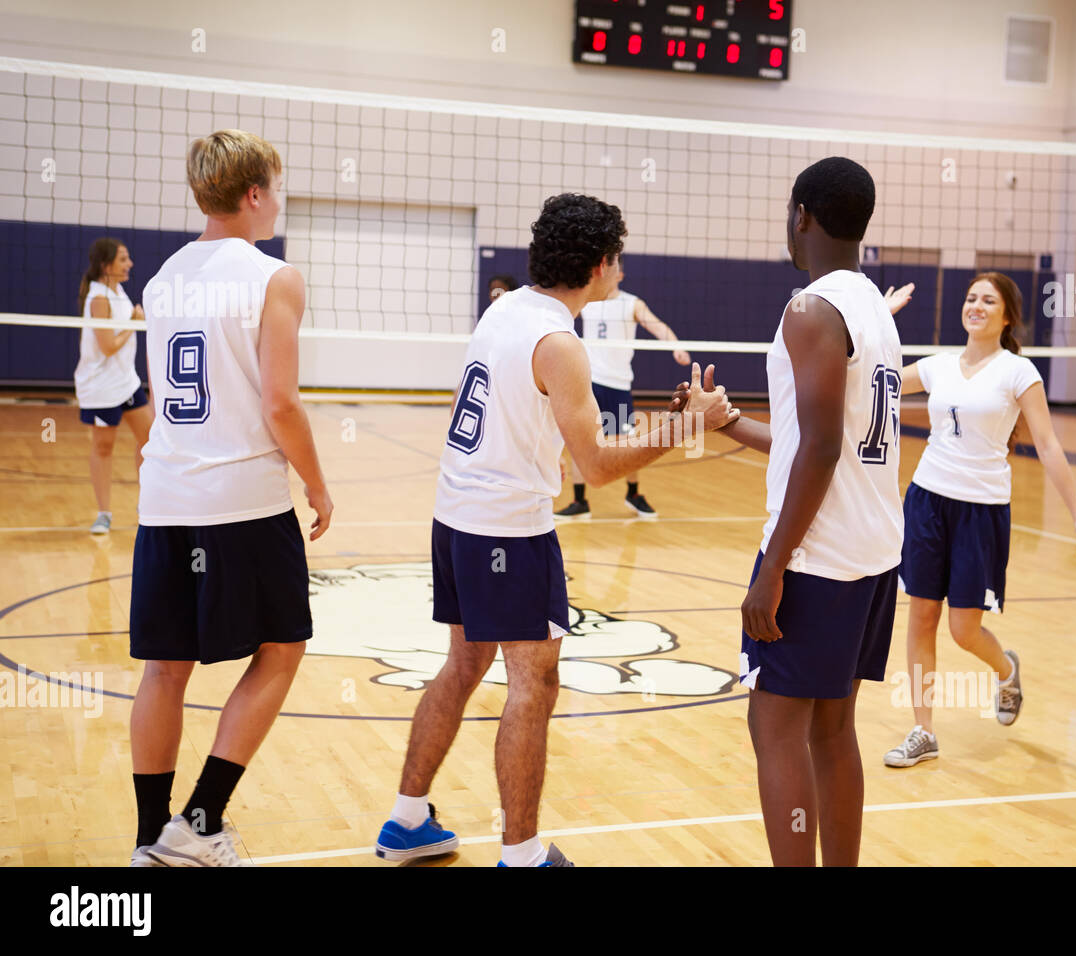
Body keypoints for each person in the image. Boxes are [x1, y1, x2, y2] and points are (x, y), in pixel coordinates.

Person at [375, 193, 736, 867]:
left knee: (464, 663)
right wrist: (691, 426)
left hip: (455, 517)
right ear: (598, 265)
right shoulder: (561, 345)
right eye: (619, 260)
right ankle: (522, 854)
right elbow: (597, 468)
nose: (623, 273)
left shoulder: (503, 310)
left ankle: (406, 820)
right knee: (533, 684)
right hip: (506, 533)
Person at [684, 157, 903, 867]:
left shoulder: (810, 309)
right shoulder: (871, 306)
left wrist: (773, 566)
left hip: (816, 558)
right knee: (832, 731)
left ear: (801, 215)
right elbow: (814, 438)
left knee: (775, 727)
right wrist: (731, 426)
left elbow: (824, 448)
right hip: (871, 555)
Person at [129, 129, 333, 866]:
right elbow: (281, 404)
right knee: (282, 649)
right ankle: (201, 822)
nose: (277, 202)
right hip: (243, 500)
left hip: (167, 495)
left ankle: (152, 838)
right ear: (253, 193)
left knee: (164, 668)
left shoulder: (159, 280)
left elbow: (159, 396)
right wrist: (316, 481)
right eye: (274, 188)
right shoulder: (274, 276)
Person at [882, 272, 1076, 768]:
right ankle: (923, 730)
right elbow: (878, 373)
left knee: (963, 630)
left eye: (987, 300)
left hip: (981, 511)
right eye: (970, 298)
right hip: (927, 501)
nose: (975, 306)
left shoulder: (1018, 372)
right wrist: (880, 317)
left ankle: (1005, 670)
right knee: (920, 617)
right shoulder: (938, 367)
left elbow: (1047, 445)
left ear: (1006, 316)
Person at [554, 258, 691, 520]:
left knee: (628, 442)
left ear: (619, 275)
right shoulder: (587, 301)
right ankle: (579, 501)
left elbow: (657, 325)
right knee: (580, 441)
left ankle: (633, 494)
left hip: (618, 384)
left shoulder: (632, 303)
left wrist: (675, 346)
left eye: (611, 269)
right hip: (589, 381)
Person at [74, 237, 153, 535]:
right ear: (107, 265)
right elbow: (108, 347)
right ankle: (104, 514)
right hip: (100, 387)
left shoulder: (116, 290)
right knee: (103, 447)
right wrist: (134, 321)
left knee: (150, 441)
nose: (129, 263)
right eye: (123, 259)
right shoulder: (98, 298)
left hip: (126, 382)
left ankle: (148, 504)